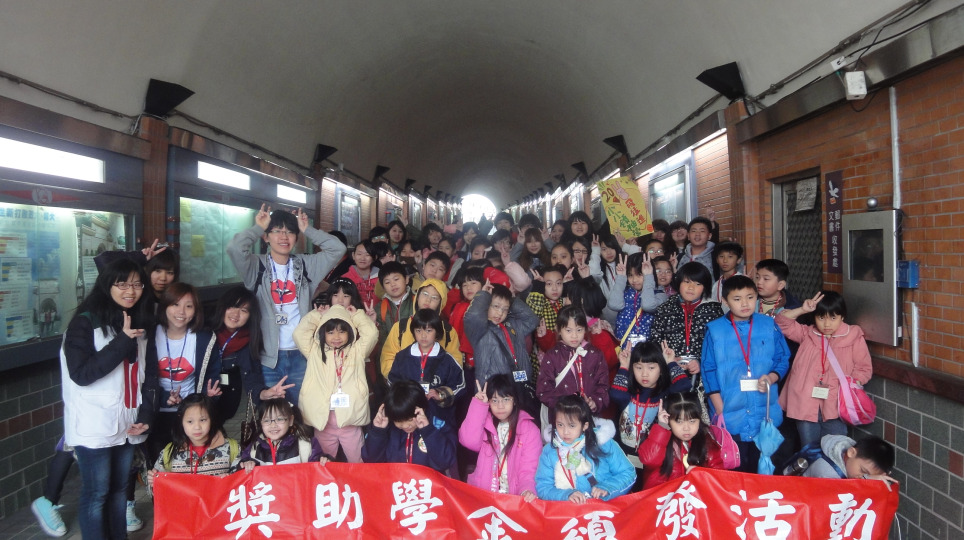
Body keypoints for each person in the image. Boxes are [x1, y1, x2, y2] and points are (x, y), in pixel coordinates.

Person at [59, 259, 159, 540]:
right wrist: (122, 341)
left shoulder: (139, 322)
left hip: (127, 424)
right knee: (97, 493)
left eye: (137, 284)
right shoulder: (84, 323)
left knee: (119, 490)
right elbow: (82, 374)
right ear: (107, 285)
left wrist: (146, 416)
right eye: (122, 284)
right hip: (94, 425)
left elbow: (149, 375)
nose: (131, 291)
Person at [226, 204, 347, 406]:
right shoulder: (256, 266)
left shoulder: (306, 265)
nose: (284, 237)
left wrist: (307, 229)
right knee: (273, 413)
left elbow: (338, 248)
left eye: (290, 232)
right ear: (266, 237)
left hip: (302, 354)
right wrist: (258, 227)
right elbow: (234, 248)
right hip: (268, 358)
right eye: (277, 231)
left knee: (304, 411)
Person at [701, 275, 791, 473]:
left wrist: (772, 377)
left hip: (764, 408)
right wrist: (719, 407)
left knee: (763, 465)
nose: (745, 304)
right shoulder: (715, 330)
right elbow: (708, 369)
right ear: (725, 301)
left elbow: (782, 357)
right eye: (737, 299)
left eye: (750, 297)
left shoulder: (768, 325)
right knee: (735, 466)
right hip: (730, 409)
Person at [777, 291, 873, 447]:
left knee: (835, 449)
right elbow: (782, 323)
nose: (827, 324)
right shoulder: (807, 334)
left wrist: (850, 386)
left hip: (836, 405)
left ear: (842, 316)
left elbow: (863, 368)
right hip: (805, 402)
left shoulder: (853, 336)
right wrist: (802, 309)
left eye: (833, 318)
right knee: (809, 448)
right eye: (821, 318)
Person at [147, 282, 222, 464]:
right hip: (155, 414)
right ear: (165, 306)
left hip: (191, 416)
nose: (181, 312)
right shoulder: (148, 335)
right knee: (161, 467)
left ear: (196, 311)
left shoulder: (204, 338)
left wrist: (208, 396)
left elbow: (212, 375)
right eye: (175, 304)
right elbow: (142, 377)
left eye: (189, 306)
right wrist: (165, 397)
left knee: (192, 466)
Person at [295, 304, 375, 463]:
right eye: (330, 332)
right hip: (322, 422)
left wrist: (357, 316)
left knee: (358, 462)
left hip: (351, 420)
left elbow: (371, 334)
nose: (336, 337)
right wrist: (317, 315)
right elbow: (299, 334)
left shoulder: (357, 350)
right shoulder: (314, 351)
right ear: (322, 333)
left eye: (342, 331)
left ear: (350, 332)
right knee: (324, 462)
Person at [212, 286, 293, 424]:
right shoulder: (204, 334)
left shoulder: (249, 341)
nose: (236, 314)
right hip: (200, 401)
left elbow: (252, 378)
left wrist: (263, 393)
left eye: (244, 310)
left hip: (226, 405)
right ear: (223, 307)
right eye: (232, 306)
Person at [535, 395, 634, 502]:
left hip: (602, 508)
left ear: (585, 426)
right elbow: (543, 487)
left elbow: (628, 473)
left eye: (572, 426)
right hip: (567, 510)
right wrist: (566, 495)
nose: (565, 432)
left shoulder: (603, 443)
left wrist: (607, 488)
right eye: (560, 425)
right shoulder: (550, 451)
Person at [610, 342, 692, 472]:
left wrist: (670, 362)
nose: (644, 374)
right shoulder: (629, 394)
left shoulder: (665, 395)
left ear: (661, 369)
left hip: (653, 456)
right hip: (624, 456)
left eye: (651, 368)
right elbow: (615, 394)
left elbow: (684, 385)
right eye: (639, 367)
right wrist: (624, 365)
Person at [459, 375, 541, 501]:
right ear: (489, 402)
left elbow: (528, 469)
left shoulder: (529, 430)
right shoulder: (484, 422)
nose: (500, 406)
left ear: (514, 400)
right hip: (484, 496)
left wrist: (526, 490)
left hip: (514, 498)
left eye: (506, 399)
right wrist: (479, 405)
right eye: (495, 400)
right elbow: (468, 441)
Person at [464, 282, 540, 416]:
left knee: (520, 424)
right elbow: (472, 317)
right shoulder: (480, 330)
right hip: (493, 392)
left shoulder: (513, 325)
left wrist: (512, 299)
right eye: (496, 306)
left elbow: (532, 320)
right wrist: (484, 296)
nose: (500, 313)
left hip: (519, 388)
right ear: (486, 305)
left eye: (505, 309)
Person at [537, 306, 610, 431]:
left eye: (579, 330)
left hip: (588, 419)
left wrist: (595, 402)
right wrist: (564, 407)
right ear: (559, 330)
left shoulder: (595, 354)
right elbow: (543, 390)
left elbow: (603, 385)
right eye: (568, 330)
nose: (574, 335)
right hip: (562, 422)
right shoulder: (552, 356)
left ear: (585, 329)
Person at [388, 309, 466, 424]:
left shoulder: (447, 360)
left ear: (437, 332)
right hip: (409, 417)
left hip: (438, 418)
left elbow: (460, 385)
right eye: (418, 330)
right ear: (413, 332)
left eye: (429, 330)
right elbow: (392, 381)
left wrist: (441, 394)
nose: (423, 335)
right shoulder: (402, 357)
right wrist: (407, 396)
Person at [362, 380, 457, 473]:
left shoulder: (438, 426)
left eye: (410, 419)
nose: (406, 425)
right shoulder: (387, 429)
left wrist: (428, 432)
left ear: (422, 409)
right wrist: (378, 432)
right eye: (398, 421)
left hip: (426, 482)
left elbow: (445, 462)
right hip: (395, 481)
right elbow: (370, 460)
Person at [637, 392, 725, 490]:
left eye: (692, 421)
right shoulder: (659, 437)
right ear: (668, 419)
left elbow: (720, 476)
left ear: (699, 419)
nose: (686, 428)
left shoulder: (706, 441)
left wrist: (702, 474)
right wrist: (662, 427)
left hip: (692, 497)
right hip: (662, 497)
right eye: (679, 421)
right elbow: (649, 459)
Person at [147, 394, 240, 487]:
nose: (197, 427)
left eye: (202, 420)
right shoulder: (169, 453)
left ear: (212, 419)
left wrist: (230, 479)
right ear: (181, 422)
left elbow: (242, 483)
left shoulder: (231, 448)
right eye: (190, 421)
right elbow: (158, 490)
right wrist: (152, 482)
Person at [380, 279, 463, 377]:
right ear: (417, 296)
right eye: (425, 294)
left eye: (435, 298)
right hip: (405, 384)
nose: (428, 300)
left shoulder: (448, 331)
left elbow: (456, 363)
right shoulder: (400, 327)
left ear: (441, 303)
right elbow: (388, 357)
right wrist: (400, 380)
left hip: (436, 384)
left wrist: (439, 383)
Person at [239, 398, 329, 468]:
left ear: (290, 420)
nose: (273, 425)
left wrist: (324, 460)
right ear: (261, 423)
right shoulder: (254, 447)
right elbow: (241, 470)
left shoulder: (306, 445)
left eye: (279, 419)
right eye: (266, 420)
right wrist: (245, 464)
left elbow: (318, 470)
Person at [802, 435, 897, 488]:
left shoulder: (849, 452)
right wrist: (866, 480)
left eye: (871, 476)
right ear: (851, 452)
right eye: (863, 471)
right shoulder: (827, 471)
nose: (863, 477)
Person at [608, 253, 655, 347]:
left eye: (639, 274)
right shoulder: (625, 292)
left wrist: (648, 277)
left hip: (647, 350)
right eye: (630, 275)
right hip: (624, 348)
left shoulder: (658, 294)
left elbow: (648, 305)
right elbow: (614, 305)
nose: (634, 280)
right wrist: (621, 277)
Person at [596, 235, 624, 324]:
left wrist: (625, 246)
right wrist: (595, 253)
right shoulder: (598, 270)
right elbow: (593, 273)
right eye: (604, 249)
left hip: (626, 315)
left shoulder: (625, 265)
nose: (609, 252)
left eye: (611, 247)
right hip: (607, 318)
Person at [342, 239, 380, 305]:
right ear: (353, 255)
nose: (362, 258)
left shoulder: (381, 278)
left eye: (367, 255)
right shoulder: (344, 279)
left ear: (375, 257)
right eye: (359, 254)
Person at [711, 241, 745, 306]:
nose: (725, 260)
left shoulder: (743, 281)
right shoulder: (716, 285)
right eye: (721, 256)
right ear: (717, 259)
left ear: (739, 259)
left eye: (730, 257)